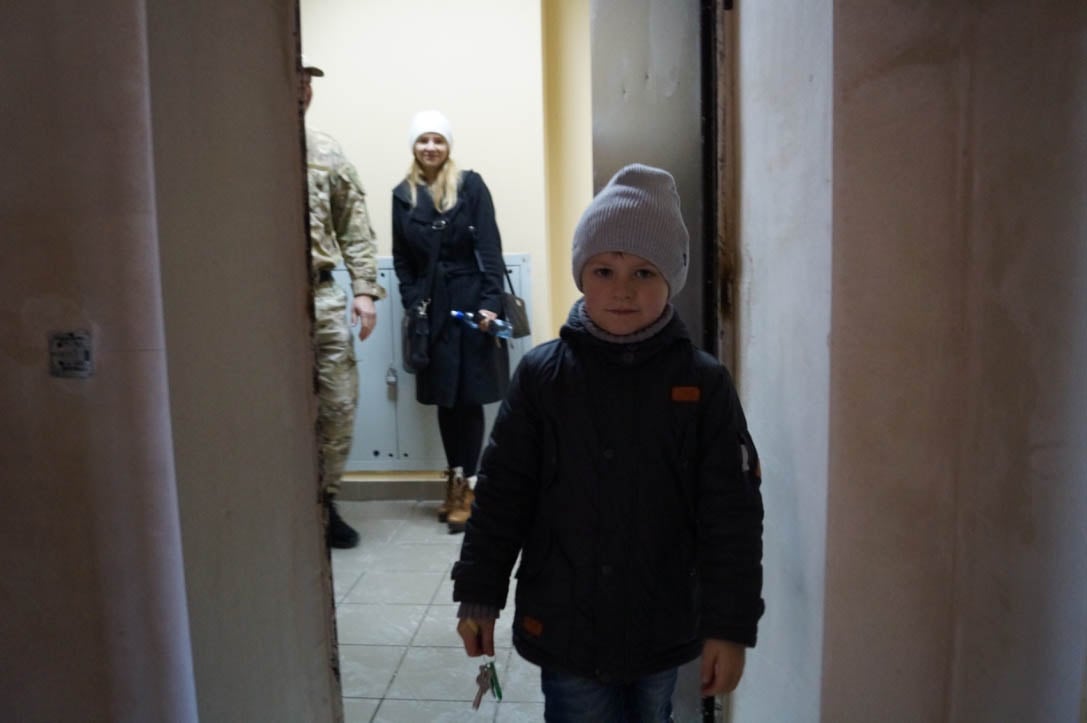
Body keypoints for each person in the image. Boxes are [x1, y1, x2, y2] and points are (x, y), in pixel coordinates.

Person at [451, 164, 765, 721]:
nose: (623, 289)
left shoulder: (703, 385)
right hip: (564, 620)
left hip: (662, 620)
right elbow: (502, 496)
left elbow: (731, 516)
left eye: (644, 271)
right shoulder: (543, 378)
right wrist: (480, 592)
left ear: (672, 279)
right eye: (604, 270)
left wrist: (730, 626)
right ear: (581, 275)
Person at [391, 110, 510, 534]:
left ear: (448, 145)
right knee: (445, 397)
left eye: (438, 140)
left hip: (471, 301)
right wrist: (413, 301)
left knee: (469, 396)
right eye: (423, 140)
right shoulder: (402, 195)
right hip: (431, 308)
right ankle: (455, 480)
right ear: (414, 145)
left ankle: (472, 488)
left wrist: (491, 303)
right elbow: (402, 260)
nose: (430, 147)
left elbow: (490, 246)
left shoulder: (470, 185)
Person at [302, 58, 386, 549]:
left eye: (308, 81)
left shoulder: (327, 152)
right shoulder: (244, 148)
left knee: (338, 402)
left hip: (321, 295)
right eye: (296, 78)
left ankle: (324, 501)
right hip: (258, 301)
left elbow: (353, 227)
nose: (304, 89)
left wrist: (364, 291)